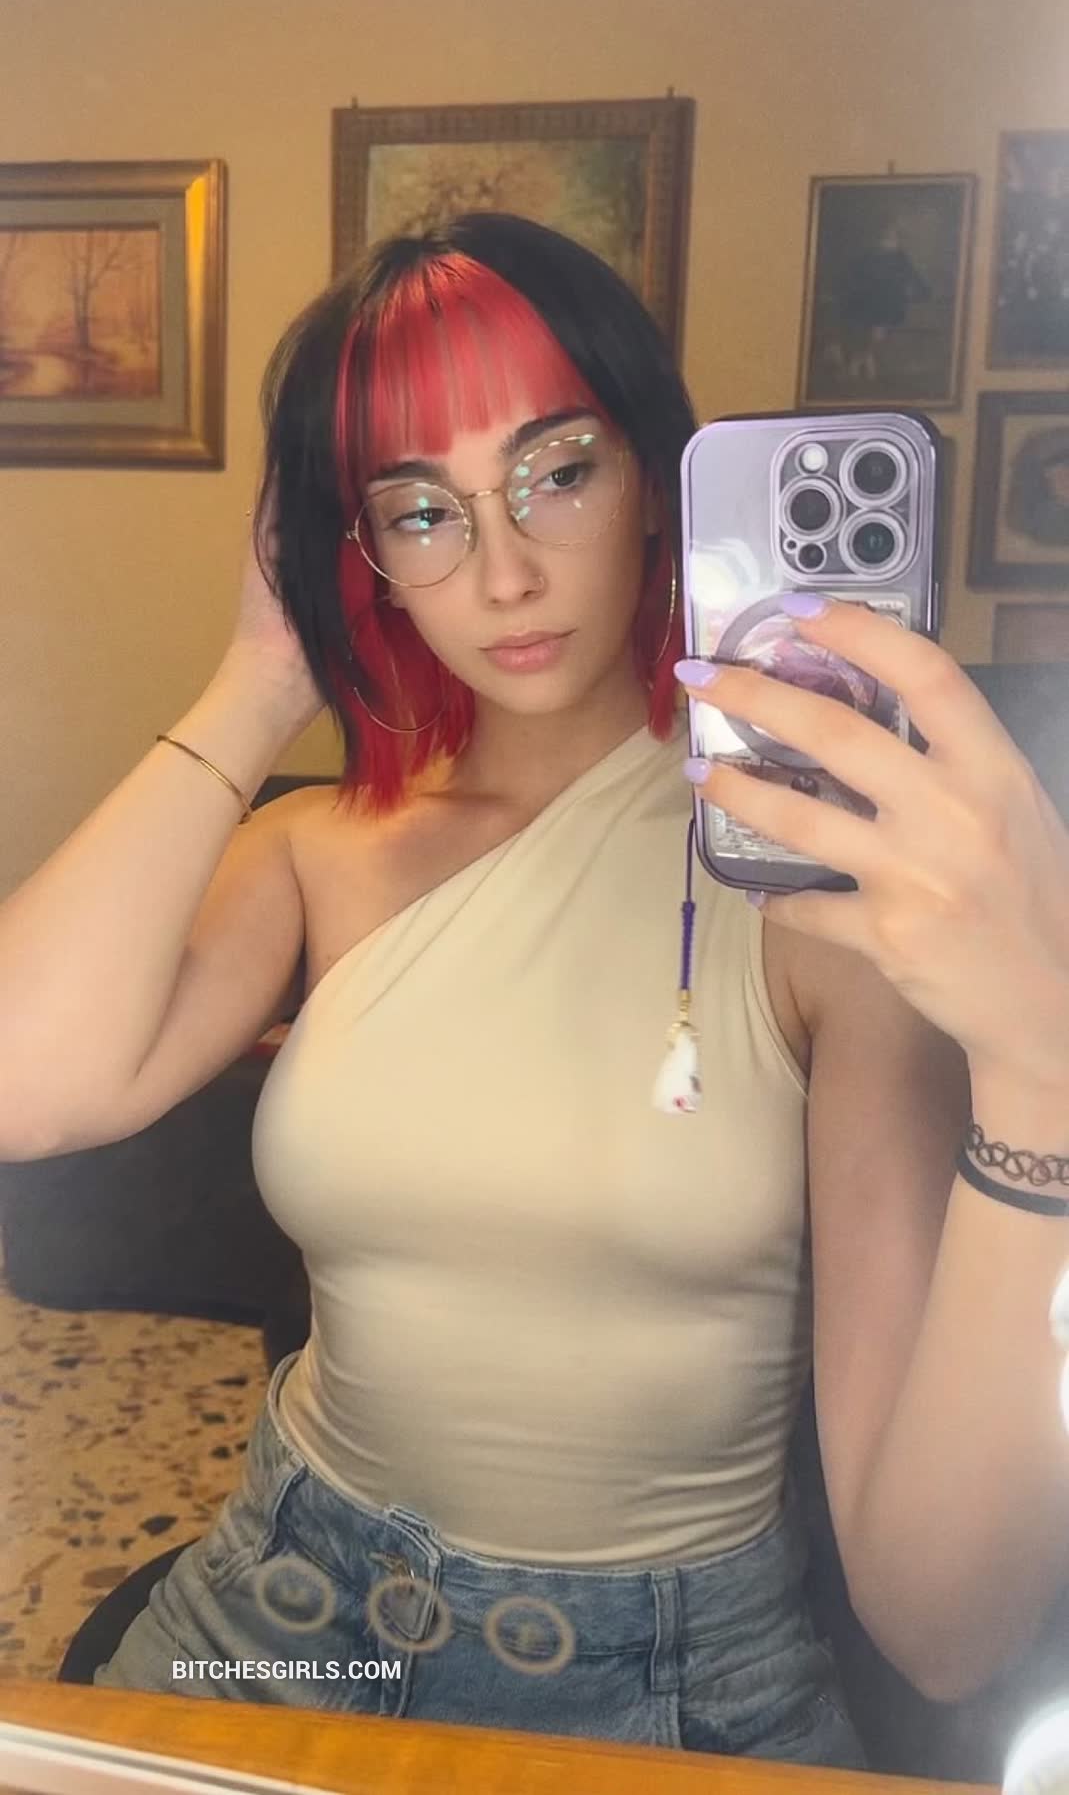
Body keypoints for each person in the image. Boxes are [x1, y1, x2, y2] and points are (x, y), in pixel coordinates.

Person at [2, 212, 1068, 1768]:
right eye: (418, 512)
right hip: (277, 1614)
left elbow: (940, 1623)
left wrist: (1041, 1066)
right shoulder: (319, 850)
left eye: (558, 472)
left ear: (656, 479)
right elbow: (24, 1091)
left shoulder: (819, 902)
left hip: (671, 1690)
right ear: (361, 557)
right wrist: (262, 673)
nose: (503, 573)